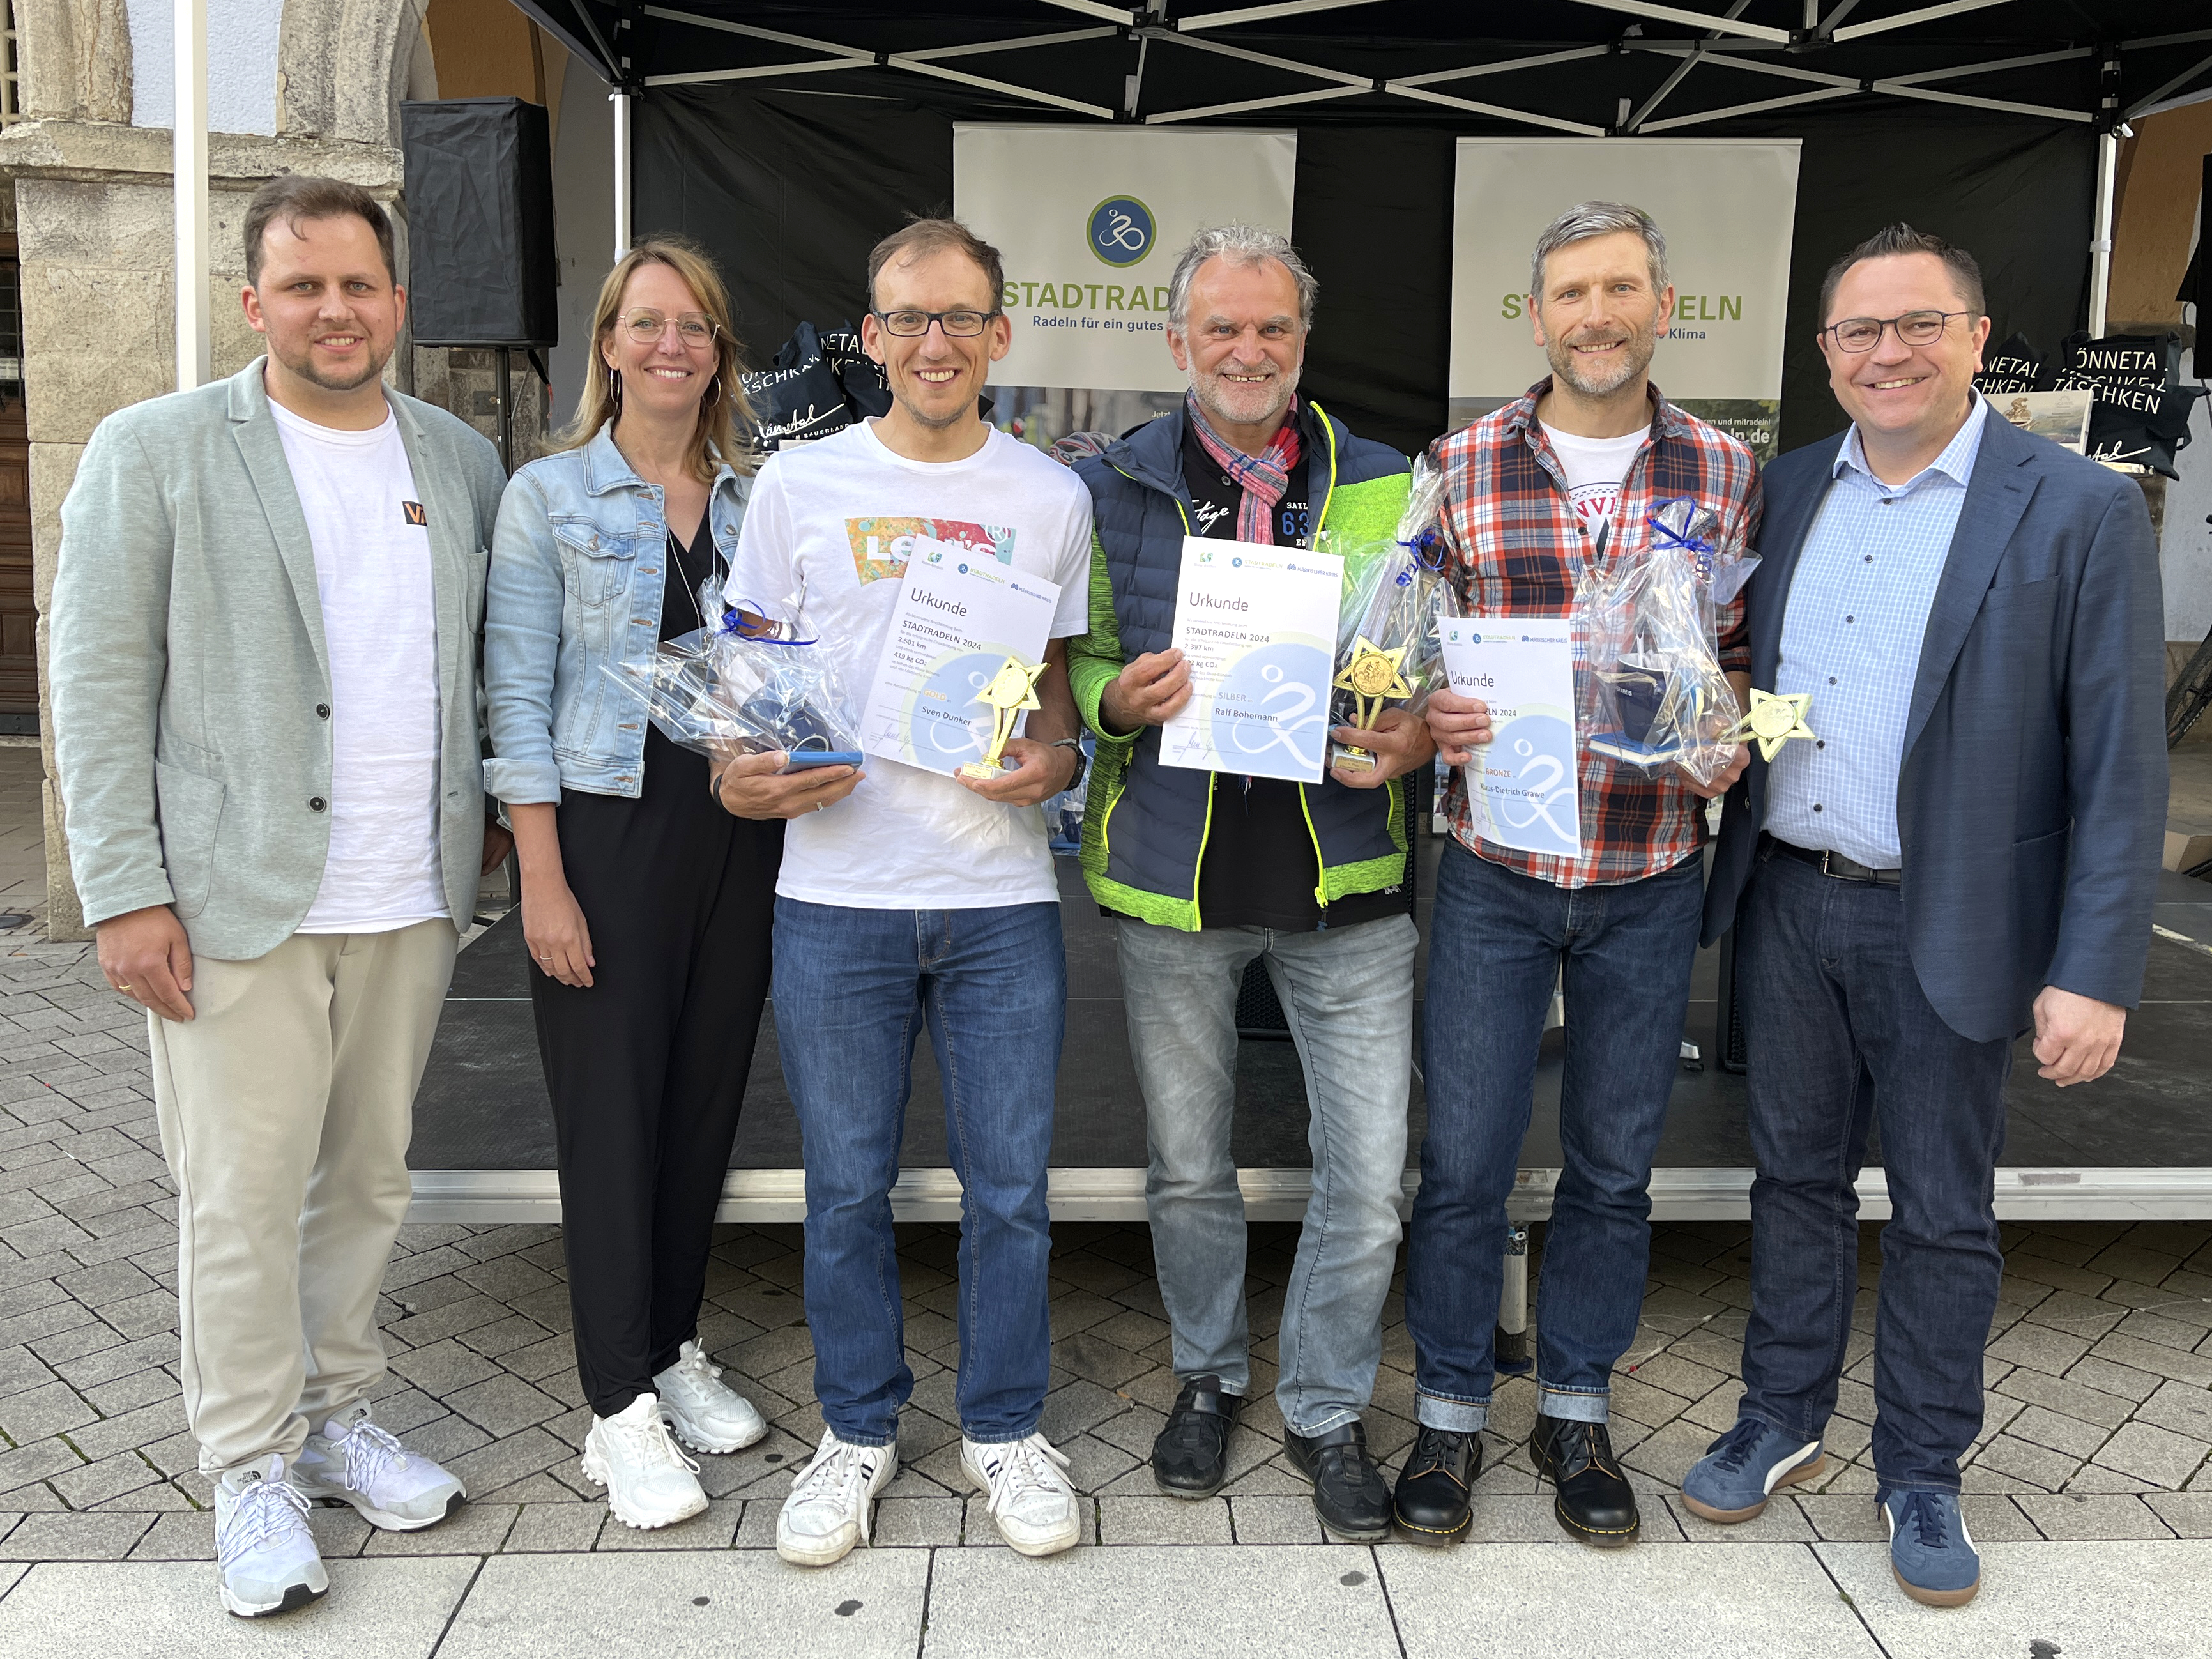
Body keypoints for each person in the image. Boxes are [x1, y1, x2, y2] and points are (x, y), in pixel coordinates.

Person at [1682, 224, 2165, 1608]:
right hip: (1784, 896)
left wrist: (2095, 970)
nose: (1885, 352)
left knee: (1944, 1211)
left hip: (1953, 919)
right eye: (1857, 332)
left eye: (1917, 325)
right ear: (1825, 354)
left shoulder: (2070, 507)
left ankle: (1923, 1471)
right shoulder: (1780, 493)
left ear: (1972, 335)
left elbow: (2124, 764)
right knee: (1791, 1184)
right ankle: (1782, 1420)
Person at [49, 176, 507, 1616]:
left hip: (408, 892)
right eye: (301, 287)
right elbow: (100, 677)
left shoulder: (457, 456)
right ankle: (246, 1463)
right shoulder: (159, 451)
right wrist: (123, 891)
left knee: (369, 1178)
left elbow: (478, 668)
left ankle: (340, 1415)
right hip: (232, 900)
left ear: (398, 303)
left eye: (357, 286)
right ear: (253, 304)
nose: (332, 311)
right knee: (241, 1198)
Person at [723, 218, 1094, 1566]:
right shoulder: (794, 489)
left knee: (1009, 1194)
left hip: (1000, 902)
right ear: (868, 338)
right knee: (843, 1190)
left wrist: (1054, 760)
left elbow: (1055, 705)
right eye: (905, 319)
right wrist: (741, 775)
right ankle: (859, 1430)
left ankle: (1003, 1428)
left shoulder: (1050, 495)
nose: (933, 342)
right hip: (836, 895)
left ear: (1000, 334)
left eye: (960, 317)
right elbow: (751, 693)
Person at [1403, 201, 1758, 1549]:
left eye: (1619, 290)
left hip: (1649, 868)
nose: (1594, 316)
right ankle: (1446, 1414)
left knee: (1615, 1166)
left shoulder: (1727, 470)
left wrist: (1724, 727)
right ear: (1536, 314)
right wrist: (1426, 705)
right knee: (1465, 1164)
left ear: (1663, 305)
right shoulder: (1464, 461)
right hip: (1495, 866)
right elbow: (1415, 647)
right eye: (1569, 294)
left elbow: (1728, 653)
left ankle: (1573, 1404)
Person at [1064, 225, 1426, 1541]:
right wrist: (1118, 697)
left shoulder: (1388, 481)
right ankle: (1208, 1379)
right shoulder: (1106, 485)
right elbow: (1080, 666)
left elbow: (1425, 665)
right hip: (1175, 877)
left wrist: (1416, 726)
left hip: (1349, 878)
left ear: (1302, 343)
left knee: (1370, 1172)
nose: (1247, 351)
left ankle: (1326, 1407)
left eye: (1271, 328)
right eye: (1221, 327)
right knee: (1186, 1168)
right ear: (1177, 344)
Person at [485, 238, 799, 1532]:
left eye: (699, 328)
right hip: (604, 837)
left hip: (738, 835)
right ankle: (615, 1408)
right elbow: (513, 699)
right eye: (649, 324)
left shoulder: (754, 497)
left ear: (719, 354)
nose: (675, 346)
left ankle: (670, 1344)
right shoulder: (546, 498)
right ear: (608, 342)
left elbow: (786, 670)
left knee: (698, 1110)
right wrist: (541, 886)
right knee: (611, 1121)